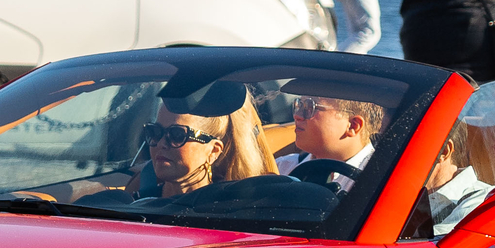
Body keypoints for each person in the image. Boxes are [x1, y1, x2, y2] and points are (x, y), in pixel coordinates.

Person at [131, 82, 274, 197]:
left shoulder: (237, 211)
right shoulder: (132, 207)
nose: (161, 143)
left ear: (213, 151)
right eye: (155, 131)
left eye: (177, 135)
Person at [280, 91, 388, 195]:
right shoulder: (281, 168)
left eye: (310, 107)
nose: (297, 115)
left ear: (352, 125)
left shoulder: (381, 179)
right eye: (299, 104)